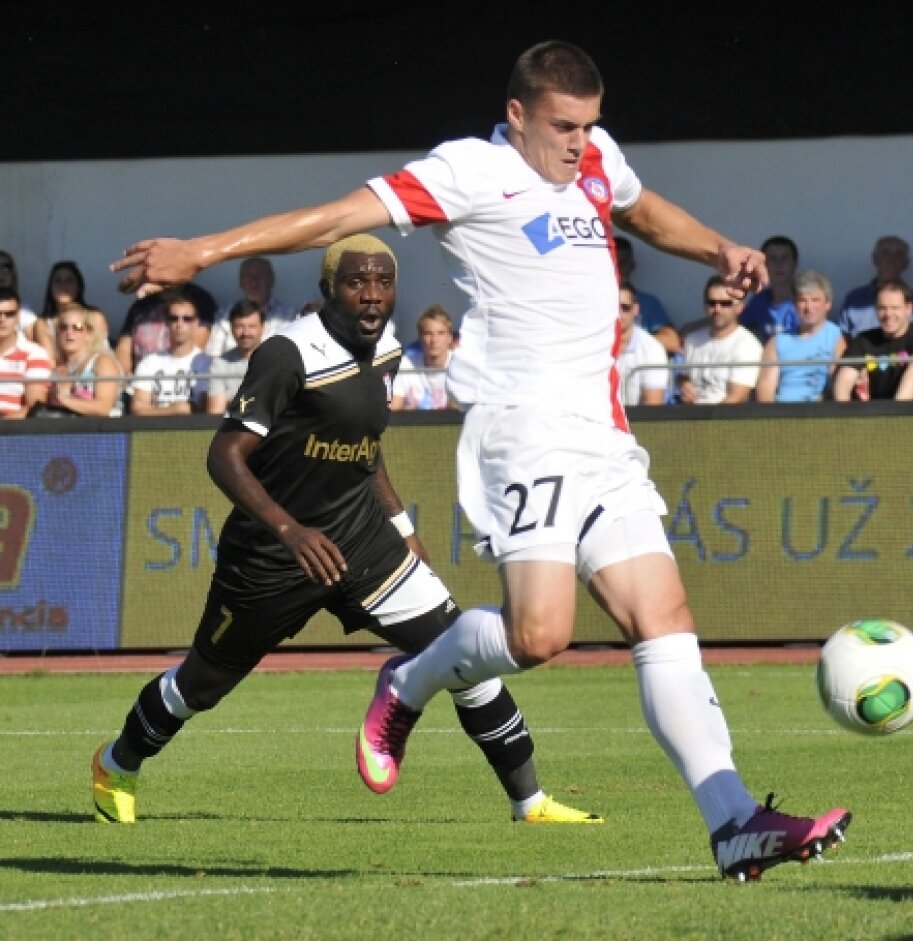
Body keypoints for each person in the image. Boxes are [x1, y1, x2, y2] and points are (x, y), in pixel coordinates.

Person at [111, 39, 850, 881]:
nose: (580, 143)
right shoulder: (468, 171)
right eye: (564, 127)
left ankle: (734, 821)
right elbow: (337, 216)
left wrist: (719, 249)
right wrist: (204, 251)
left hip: (604, 434)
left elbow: (643, 212)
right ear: (518, 117)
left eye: (590, 126)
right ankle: (411, 681)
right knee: (541, 635)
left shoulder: (598, 160)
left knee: (664, 617)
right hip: (522, 428)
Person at [93, 235, 600, 828]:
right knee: (201, 683)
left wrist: (401, 525)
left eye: (383, 282)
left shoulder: (387, 349)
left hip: (362, 542)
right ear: (327, 291)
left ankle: (529, 802)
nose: (372, 296)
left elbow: (366, 450)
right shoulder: (288, 354)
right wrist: (289, 529)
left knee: (461, 648)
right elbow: (224, 455)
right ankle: (116, 764)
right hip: (271, 558)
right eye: (357, 282)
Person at [832, 279, 913, 401]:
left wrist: (894, 416)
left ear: (908, 309)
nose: (888, 314)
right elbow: (844, 381)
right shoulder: (863, 339)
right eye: (882, 308)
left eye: (895, 308)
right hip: (873, 413)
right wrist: (844, 416)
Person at [756, 270, 846, 403]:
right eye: (802, 300)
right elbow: (765, 390)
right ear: (794, 304)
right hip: (781, 413)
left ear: (828, 304)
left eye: (815, 300)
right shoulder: (777, 342)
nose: (809, 307)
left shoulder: (837, 338)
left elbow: (837, 386)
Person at [678, 276, 763, 405]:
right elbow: (685, 377)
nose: (717, 309)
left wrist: (707, 423)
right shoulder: (692, 339)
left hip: (726, 419)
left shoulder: (748, 346)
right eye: (712, 303)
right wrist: (684, 385)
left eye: (725, 303)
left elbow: (736, 398)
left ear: (740, 307)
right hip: (689, 417)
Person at [128, 291, 212, 415]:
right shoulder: (149, 362)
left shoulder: (208, 363)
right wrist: (173, 410)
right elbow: (138, 408)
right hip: (157, 430)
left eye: (187, 319)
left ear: (196, 323)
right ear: (166, 322)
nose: (179, 324)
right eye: (174, 318)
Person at [115, 280, 217, 375]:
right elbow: (124, 349)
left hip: (180, 379)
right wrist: (124, 380)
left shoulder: (200, 300)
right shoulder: (142, 303)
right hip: (141, 380)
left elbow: (195, 348)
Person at [39, 305, 125, 417]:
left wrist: (63, 400)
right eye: (63, 327)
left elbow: (103, 408)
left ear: (88, 334)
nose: (69, 332)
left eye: (77, 327)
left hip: (106, 430)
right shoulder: (57, 371)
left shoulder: (102, 362)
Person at [205, 256, 297, 356]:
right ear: (241, 282)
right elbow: (213, 355)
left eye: (260, 275)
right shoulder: (224, 315)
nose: (254, 282)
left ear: (271, 280)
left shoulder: (289, 316)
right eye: (248, 276)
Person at [837, 235, 913, 337]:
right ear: (875, 259)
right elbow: (843, 339)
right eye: (885, 253)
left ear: (906, 263)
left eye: (898, 254)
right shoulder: (854, 299)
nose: (891, 259)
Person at [34, 260, 109, 361]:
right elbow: (49, 361)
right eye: (58, 281)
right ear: (51, 288)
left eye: (69, 281)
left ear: (79, 287)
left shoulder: (95, 316)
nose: (63, 285)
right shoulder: (42, 323)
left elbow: (98, 353)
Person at [390, 304, 456, 410]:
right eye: (428, 334)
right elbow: (393, 408)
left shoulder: (459, 364)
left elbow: (457, 412)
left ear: (450, 338)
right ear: (420, 338)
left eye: (441, 333)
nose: (434, 340)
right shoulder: (405, 364)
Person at [205, 299, 265, 415]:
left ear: (262, 327)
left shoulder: (276, 361)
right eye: (239, 326)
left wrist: (231, 403)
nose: (245, 333)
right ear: (231, 328)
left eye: (252, 326)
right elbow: (215, 411)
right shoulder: (220, 364)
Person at [0, 287, 52, 418]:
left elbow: (34, 407)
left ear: (18, 316)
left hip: (11, 429)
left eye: (9, 314)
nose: (2, 319)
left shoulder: (35, 354)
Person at [615, 281, 670, 406]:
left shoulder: (652, 349)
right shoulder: (593, 345)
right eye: (614, 307)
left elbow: (652, 405)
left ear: (635, 309)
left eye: (625, 307)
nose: (619, 313)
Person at [738, 234, 799, 344]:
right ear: (764, 265)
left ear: (794, 264)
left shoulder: (806, 301)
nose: (779, 264)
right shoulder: (759, 301)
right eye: (773, 259)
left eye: (784, 258)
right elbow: (730, 322)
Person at [614, 235, 672, 334]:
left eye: (623, 263)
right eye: (615, 263)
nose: (619, 268)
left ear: (632, 266)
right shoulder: (591, 302)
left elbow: (671, 340)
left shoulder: (648, 303)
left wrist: (631, 345)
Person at [0, 250, 39, 339]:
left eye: (6, 268)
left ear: (13, 275)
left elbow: (33, 349)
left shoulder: (25, 313)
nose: (1, 273)